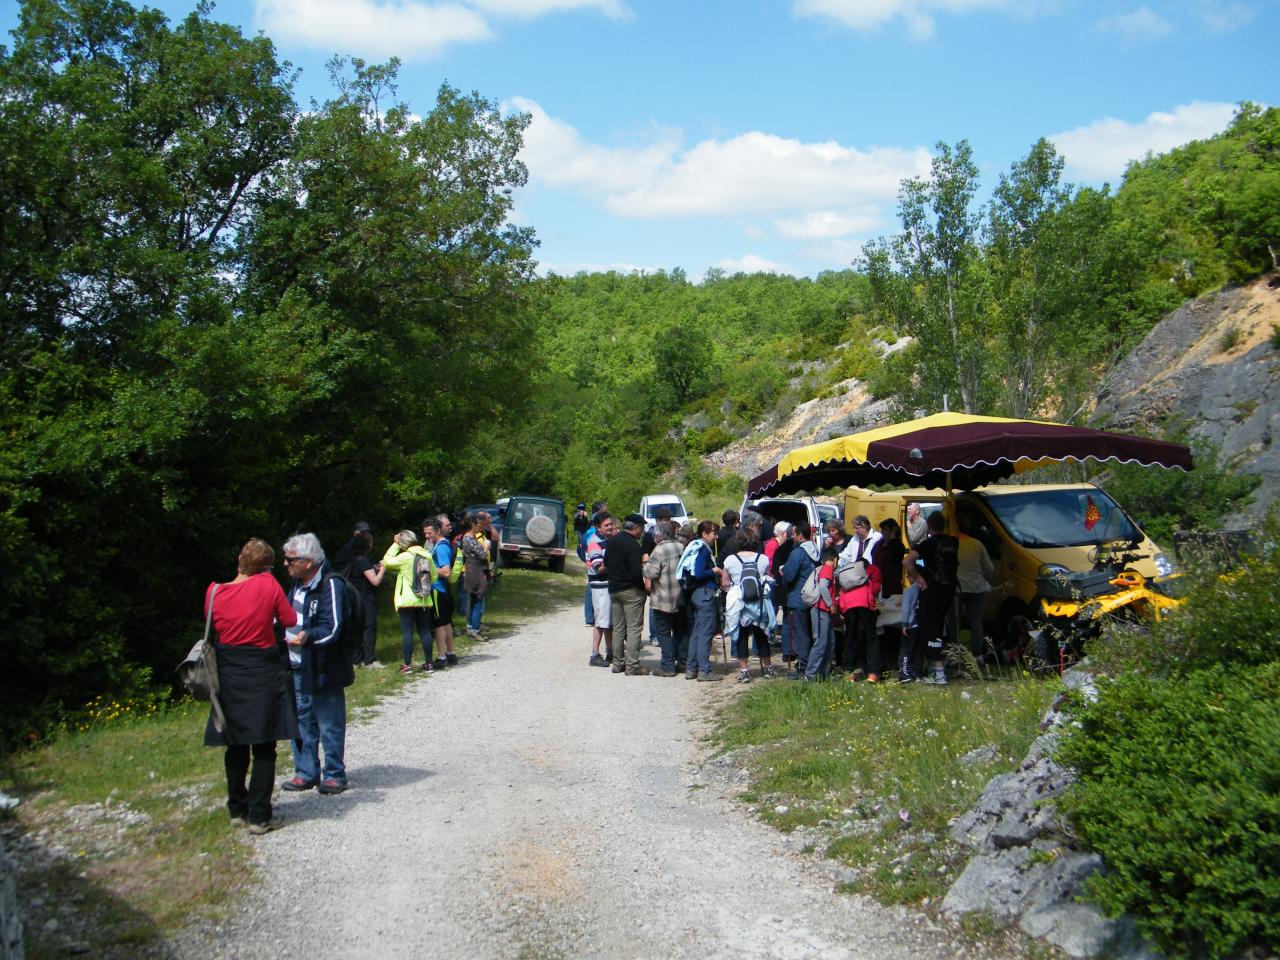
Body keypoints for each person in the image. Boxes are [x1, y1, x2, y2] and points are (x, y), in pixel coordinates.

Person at [204, 538, 298, 835]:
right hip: (261, 669)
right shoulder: (268, 585)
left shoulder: (214, 591)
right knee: (264, 744)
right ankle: (260, 816)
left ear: (240, 560)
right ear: (266, 567)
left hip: (228, 671)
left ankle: (237, 809)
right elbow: (290, 618)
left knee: (235, 742)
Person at [281, 533, 352, 796]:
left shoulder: (331, 585)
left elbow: (332, 628)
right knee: (301, 721)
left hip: (324, 666)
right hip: (298, 665)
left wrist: (307, 637)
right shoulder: (297, 585)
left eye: (290, 560)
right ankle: (306, 772)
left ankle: (334, 774)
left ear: (308, 561)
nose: (286, 565)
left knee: (329, 721)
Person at [910, 511, 960, 685]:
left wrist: (918, 576)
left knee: (929, 629)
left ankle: (938, 674)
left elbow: (907, 561)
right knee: (940, 628)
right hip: (949, 591)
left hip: (932, 591)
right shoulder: (954, 542)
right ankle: (939, 669)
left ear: (929, 527)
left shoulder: (927, 544)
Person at [722, 529, 776, 683]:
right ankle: (768, 668)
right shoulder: (763, 559)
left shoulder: (731, 560)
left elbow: (725, 583)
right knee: (761, 636)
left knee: (741, 637)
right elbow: (768, 578)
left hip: (740, 605)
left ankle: (744, 671)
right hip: (759, 604)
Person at [382, 530, 436, 675]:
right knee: (424, 631)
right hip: (424, 599)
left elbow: (386, 561)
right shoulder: (427, 555)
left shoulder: (404, 557)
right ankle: (429, 663)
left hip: (406, 600)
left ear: (402, 543)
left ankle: (407, 665)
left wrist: (394, 545)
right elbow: (434, 577)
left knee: (408, 633)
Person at [837, 528, 884, 681]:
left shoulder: (848, 571)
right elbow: (876, 588)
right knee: (871, 637)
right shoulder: (871, 569)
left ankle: (850, 672)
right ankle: (874, 673)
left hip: (848, 606)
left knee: (850, 637)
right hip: (864, 604)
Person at [681, 520, 723, 681]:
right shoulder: (703, 549)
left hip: (698, 594)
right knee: (705, 633)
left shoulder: (696, 547)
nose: (716, 537)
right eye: (714, 533)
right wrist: (715, 570)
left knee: (697, 633)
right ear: (704, 534)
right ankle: (704, 670)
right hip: (705, 593)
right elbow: (698, 573)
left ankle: (692, 668)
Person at [607, 513, 648, 676]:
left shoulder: (612, 541)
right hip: (631, 591)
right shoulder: (633, 545)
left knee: (618, 629)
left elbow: (605, 564)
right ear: (636, 527)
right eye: (642, 528)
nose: (642, 532)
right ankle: (632, 666)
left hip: (614, 589)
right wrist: (643, 588)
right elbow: (636, 573)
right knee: (633, 629)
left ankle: (617, 663)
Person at [642, 520, 683, 676]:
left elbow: (651, 573)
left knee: (664, 633)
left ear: (659, 535)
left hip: (663, 599)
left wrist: (645, 562)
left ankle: (668, 666)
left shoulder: (658, 551)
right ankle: (683, 662)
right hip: (679, 597)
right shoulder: (680, 546)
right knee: (680, 632)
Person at [780, 523, 819, 679]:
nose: (792, 537)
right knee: (811, 632)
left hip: (798, 597)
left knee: (800, 634)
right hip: (813, 597)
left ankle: (803, 666)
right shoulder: (815, 549)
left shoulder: (798, 553)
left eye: (794, 534)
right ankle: (812, 663)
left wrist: (783, 571)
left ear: (800, 535)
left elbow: (789, 575)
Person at [956, 515, 996, 663]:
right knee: (976, 622)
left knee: (955, 622)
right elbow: (989, 568)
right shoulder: (977, 544)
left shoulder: (953, 543)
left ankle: (956, 654)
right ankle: (978, 655)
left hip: (957, 588)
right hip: (976, 587)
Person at [345, 531, 384, 668]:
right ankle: (370, 660)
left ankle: (356, 659)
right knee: (369, 628)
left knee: (357, 629)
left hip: (355, 599)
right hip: (366, 599)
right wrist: (383, 569)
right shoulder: (364, 562)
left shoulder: (353, 560)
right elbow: (375, 581)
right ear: (368, 545)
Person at [426, 516, 459, 669]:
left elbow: (446, 571)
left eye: (430, 533)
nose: (427, 536)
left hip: (438, 590)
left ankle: (441, 657)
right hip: (442, 590)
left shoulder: (440, 547)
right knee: (446, 623)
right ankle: (451, 654)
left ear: (438, 531)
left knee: (439, 624)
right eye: (425, 534)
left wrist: (428, 568)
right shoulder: (442, 545)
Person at [585, 512, 615, 666]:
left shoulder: (607, 540)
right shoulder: (594, 543)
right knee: (601, 622)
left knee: (609, 622)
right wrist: (617, 563)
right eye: (606, 525)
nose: (610, 527)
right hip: (600, 587)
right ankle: (595, 655)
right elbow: (600, 568)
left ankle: (610, 652)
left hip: (608, 586)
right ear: (598, 527)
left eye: (611, 524)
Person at [807, 547, 838, 680]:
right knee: (820, 643)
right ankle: (811, 674)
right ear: (835, 559)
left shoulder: (824, 568)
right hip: (821, 609)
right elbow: (822, 586)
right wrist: (831, 604)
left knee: (830, 642)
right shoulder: (828, 568)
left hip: (822, 610)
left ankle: (823, 672)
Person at [461, 514, 492, 640]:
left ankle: (471, 627)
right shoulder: (469, 539)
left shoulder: (470, 538)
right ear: (473, 525)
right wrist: (486, 547)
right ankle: (474, 629)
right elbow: (482, 555)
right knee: (478, 597)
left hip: (473, 568)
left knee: (474, 599)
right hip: (475, 570)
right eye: (478, 524)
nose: (480, 527)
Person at [897, 561, 925, 682]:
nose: (907, 579)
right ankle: (917, 672)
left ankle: (904, 673)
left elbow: (906, 608)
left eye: (908, 576)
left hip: (911, 624)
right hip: (922, 624)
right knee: (919, 650)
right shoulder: (925, 589)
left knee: (906, 650)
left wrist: (904, 624)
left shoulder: (909, 590)